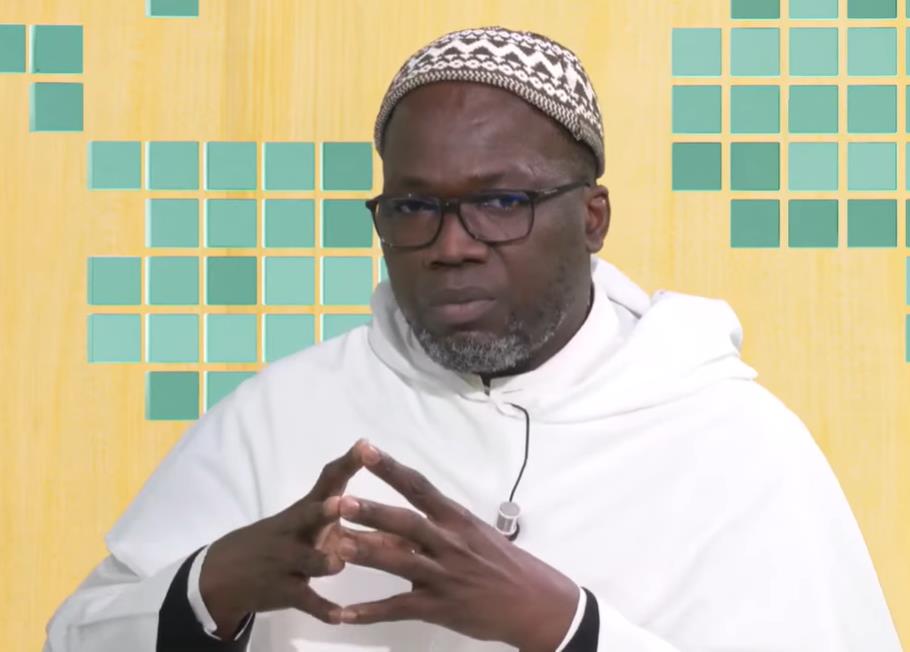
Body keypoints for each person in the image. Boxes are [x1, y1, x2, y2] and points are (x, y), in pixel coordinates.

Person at [45, 26, 902, 652]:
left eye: (500, 202)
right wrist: (212, 587)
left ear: (593, 218)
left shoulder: (731, 441)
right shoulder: (281, 416)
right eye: (415, 207)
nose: (451, 246)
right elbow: (75, 637)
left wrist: (569, 629)